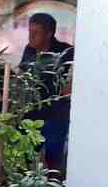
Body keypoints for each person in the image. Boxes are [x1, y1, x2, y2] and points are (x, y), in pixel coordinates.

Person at [20, 13, 74, 172]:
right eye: (29, 31)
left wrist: (70, 85)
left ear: (49, 33)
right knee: (24, 157)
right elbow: (23, 75)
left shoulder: (66, 51)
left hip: (55, 115)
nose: (30, 36)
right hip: (31, 114)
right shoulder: (29, 50)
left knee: (53, 163)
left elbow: (79, 76)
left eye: (35, 32)